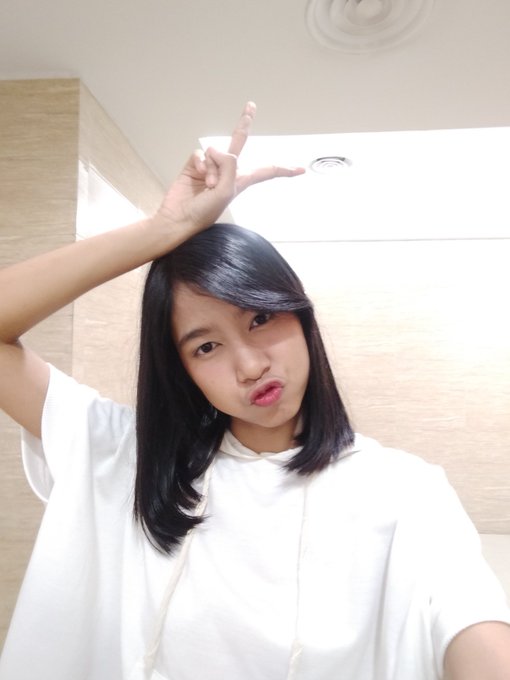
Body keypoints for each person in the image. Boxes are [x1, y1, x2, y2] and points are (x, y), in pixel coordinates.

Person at [0, 103, 509, 680]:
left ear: (300, 315)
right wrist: (163, 230)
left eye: (260, 319)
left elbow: (471, 621)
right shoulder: (127, 458)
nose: (248, 365)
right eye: (205, 347)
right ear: (182, 370)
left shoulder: (403, 489)